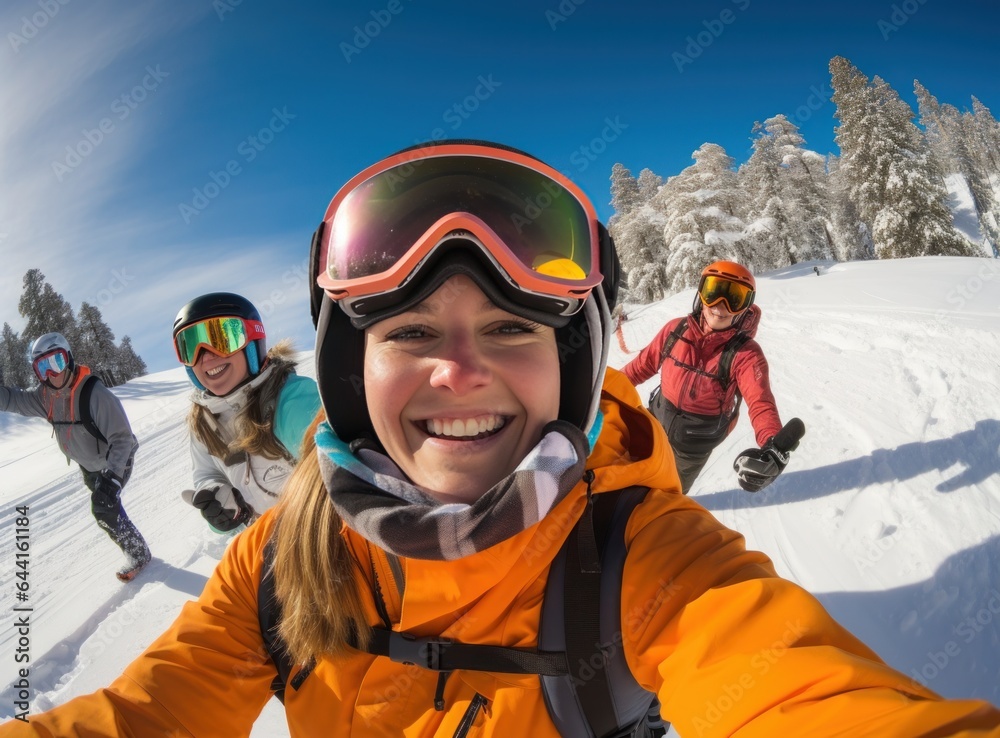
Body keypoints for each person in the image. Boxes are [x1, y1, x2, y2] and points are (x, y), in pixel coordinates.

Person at [5, 141, 1000, 737]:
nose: (458, 371)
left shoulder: (644, 558)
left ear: (572, 363)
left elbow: (807, 691)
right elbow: (144, 712)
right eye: (408, 333)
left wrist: (758, 437)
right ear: (351, 369)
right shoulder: (273, 566)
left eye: (513, 330)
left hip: (683, 442)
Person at [622, 261, 787, 494]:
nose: (721, 306)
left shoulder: (746, 354)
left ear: (744, 307)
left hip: (693, 445)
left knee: (669, 494)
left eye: (735, 298)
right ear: (701, 292)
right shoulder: (675, 330)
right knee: (630, 475)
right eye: (714, 292)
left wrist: (772, 445)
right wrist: (603, 388)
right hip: (655, 424)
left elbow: (761, 402)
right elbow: (640, 367)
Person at [0, 332, 151, 582]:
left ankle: (139, 555)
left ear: (68, 359)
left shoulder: (94, 393)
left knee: (103, 508)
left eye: (56, 362)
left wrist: (112, 479)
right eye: (42, 368)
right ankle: (123, 525)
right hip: (89, 466)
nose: (51, 374)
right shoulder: (45, 398)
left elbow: (122, 439)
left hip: (115, 459)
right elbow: (15, 400)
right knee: (107, 506)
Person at [172, 292, 321, 533]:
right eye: (190, 346)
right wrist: (221, 502)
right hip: (265, 541)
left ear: (252, 342)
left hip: (321, 536)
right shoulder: (203, 421)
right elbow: (207, 473)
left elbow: (339, 476)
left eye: (222, 338)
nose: (206, 355)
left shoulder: (291, 400)